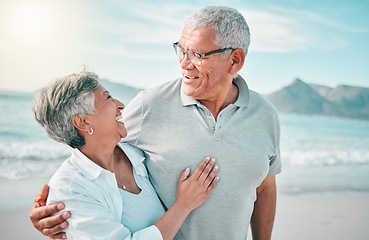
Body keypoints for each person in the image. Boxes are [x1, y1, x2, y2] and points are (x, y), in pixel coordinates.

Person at [30, 5, 281, 240]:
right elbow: (90, 147)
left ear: (235, 60)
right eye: (181, 50)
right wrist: (57, 211)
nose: (184, 63)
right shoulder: (149, 105)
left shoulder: (265, 115)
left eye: (197, 55)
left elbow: (265, 188)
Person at [30, 71, 219, 240]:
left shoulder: (138, 153)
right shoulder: (70, 189)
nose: (120, 105)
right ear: (82, 121)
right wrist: (184, 205)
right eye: (108, 98)